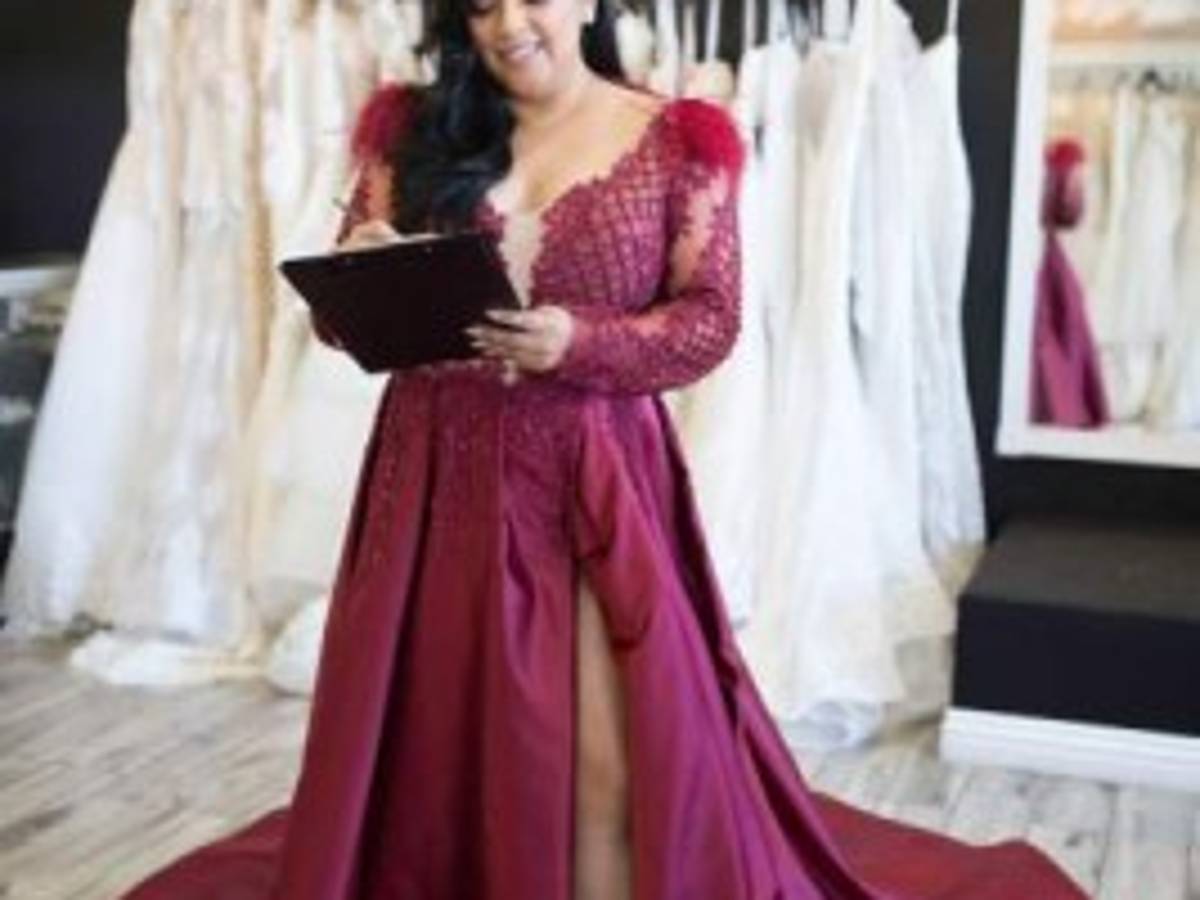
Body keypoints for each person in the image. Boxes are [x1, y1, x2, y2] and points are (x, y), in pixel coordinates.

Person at [124, 0, 1086, 896]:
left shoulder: (677, 139)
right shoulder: (412, 130)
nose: (509, 24)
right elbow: (342, 326)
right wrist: (365, 268)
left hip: (590, 483)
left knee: (604, 762)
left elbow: (709, 323)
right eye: (483, 4)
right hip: (435, 481)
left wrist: (578, 343)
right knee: (438, 741)